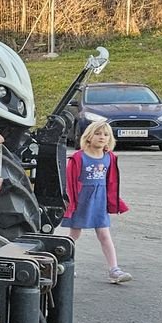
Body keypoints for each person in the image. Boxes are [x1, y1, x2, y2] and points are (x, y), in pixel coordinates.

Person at [62, 119, 131, 283]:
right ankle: (64, 264)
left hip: (99, 203)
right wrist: (69, 203)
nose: (102, 137)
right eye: (98, 134)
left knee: (104, 234)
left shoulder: (109, 158)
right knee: (74, 235)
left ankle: (114, 270)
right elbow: (69, 182)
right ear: (89, 137)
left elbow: (111, 182)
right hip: (81, 202)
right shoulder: (78, 158)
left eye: (106, 134)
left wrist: (112, 201)